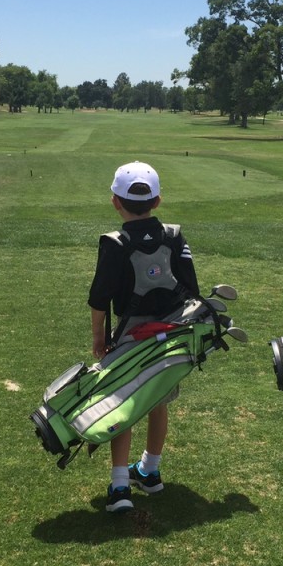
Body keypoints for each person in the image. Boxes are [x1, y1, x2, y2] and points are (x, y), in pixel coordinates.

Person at [88, 161, 200, 513]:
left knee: (122, 402)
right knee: (157, 401)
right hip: (169, 335)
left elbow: (99, 300)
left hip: (130, 336)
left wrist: (98, 339)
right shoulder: (174, 235)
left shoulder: (114, 242)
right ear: (158, 201)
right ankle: (150, 472)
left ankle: (121, 485)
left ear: (114, 201)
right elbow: (191, 289)